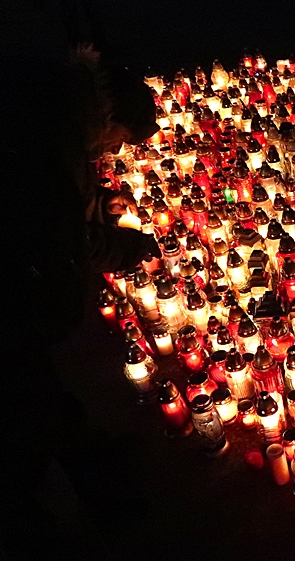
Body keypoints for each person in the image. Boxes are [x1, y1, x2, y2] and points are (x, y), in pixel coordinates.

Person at [1, 45, 160, 559]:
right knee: (22, 414)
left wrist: (99, 202)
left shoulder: (54, 112)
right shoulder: (43, 146)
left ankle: (87, 462)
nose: (113, 152)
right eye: (120, 140)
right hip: (15, 304)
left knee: (42, 394)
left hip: (28, 301)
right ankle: (55, 528)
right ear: (108, 118)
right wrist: (128, 248)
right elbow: (62, 236)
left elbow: (68, 205)